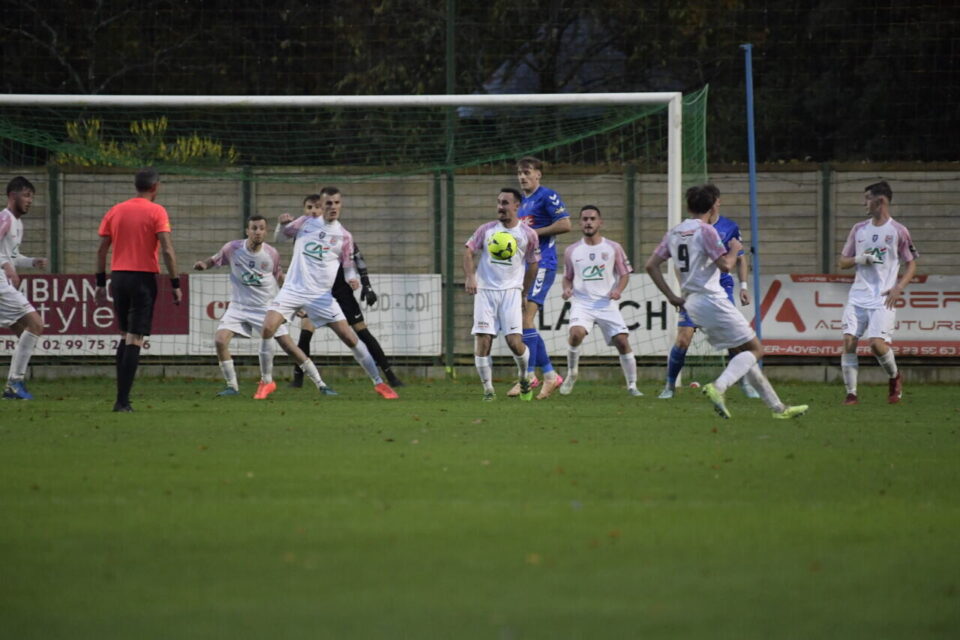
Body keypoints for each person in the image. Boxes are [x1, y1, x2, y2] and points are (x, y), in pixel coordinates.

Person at [645, 184, 808, 420]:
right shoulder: (707, 231)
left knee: (744, 352)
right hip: (712, 299)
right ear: (712, 208)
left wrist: (671, 296)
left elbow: (651, 265)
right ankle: (719, 387)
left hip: (692, 302)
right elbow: (725, 266)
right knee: (756, 349)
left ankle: (778, 408)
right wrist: (734, 249)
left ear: (689, 206)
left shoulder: (674, 233)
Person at [260, 186, 398, 400]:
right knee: (268, 327)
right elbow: (281, 238)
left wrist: (352, 277)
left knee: (349, 337)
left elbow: (348, 264)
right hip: (292, 290)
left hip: (321, 296)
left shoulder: (344, 236)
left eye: (336, 203)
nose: (333, 207)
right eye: (328, 203)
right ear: (321, 205)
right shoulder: (305, 223)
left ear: (340, 205)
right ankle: (267, 382)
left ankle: (379, 383)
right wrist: (282, 223)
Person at [194, 215, 336, 397]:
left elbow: (280, 277)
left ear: (266, 232)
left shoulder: (271, 254)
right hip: (239, 306)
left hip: (266, 307)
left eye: (261, 228)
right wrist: (203, 265)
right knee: (220, 340)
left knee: (290, 347)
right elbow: (214, 260)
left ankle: (321, 384)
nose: (258, 232)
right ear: (247, 231)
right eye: (254, 228)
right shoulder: (233, 248)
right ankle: (232, 387)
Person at [658, 184, 759, 400]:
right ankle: (669, 386)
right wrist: (683, 289)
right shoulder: (688, 231)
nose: (717, 203)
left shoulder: (729, 227)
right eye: (715, 200)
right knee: (683, 338)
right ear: (711, 205)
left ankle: (744, 384)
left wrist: (743, 287)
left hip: (722, 290)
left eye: (718, 199)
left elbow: (740, 258)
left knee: (736, 342)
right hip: (696, 293)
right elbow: (678, 264)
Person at [95, 168, 181, 412]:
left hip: (118, 276)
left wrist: (100, 282)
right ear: (155, 187)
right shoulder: (157, 211)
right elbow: (166, 249)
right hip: (142, 278)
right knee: (136, 337)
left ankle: (121, 398)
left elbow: (101, 249)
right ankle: (122, 401)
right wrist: (175, 283)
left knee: (124, 334)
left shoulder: (116, 210)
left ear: (136, 186)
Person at [838, 180, 918, 405]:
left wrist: (898, 287)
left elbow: (912, 263)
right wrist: (859, 259)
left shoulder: (899, 231)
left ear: (880, 201)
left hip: (883, 298)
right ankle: (851, 394)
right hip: (857, 296)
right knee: (848, 341)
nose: (864, 203)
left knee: (876, 345)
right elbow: (842, 262)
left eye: (867, 198)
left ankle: (894, 377)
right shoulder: (859, 229)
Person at [464, 187, 541, 401]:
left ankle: (524, 377)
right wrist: (471, 276)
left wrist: (524, 292)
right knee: (483, 339)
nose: (501, 207)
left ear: (517, 206)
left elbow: (534, 264)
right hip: (485, 291)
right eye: (499, 202)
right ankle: (488, 390)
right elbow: (468, 252)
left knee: (514, 342)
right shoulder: (486, 230)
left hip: (511, 293)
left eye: (506, 203)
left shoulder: (528, 234)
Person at [557, 205, 641, 397]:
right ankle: (572, 374)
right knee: (576, 334)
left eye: (592, 219)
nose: (588, 222)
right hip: (582, 302)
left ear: (600, 222)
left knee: (621, 340)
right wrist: (566, 289)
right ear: (580, 223)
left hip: (605, 303)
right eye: (585, 219)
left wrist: (618, 290)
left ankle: (632, 385)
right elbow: (567, 276)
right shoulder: (572, 250)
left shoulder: (613, 248)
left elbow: (624, 274)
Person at [509, 156, 571, 399]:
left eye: (527, 172)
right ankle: (549, 375)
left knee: (525, 318)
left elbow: (565, 224)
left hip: (543, 263)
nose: (522, 177)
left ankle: (528, 376)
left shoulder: (547, 195)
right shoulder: (522, 203)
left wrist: (534, 233)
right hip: (526, 267)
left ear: (538, 174)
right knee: (525, 321)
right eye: (519, 173)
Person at [0, 176, 47, 399]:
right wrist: (7, 266)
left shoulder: (18, 223)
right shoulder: (5, 218)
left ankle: (14, 384)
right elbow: (5, 258)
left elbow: (13, 255)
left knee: (23, 331)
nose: (30, 201)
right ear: (12, 196)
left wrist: (30, 262)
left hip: (3, 282)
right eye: (26, 195)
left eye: (32, 197)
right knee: (35, 324)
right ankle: (14, 384)